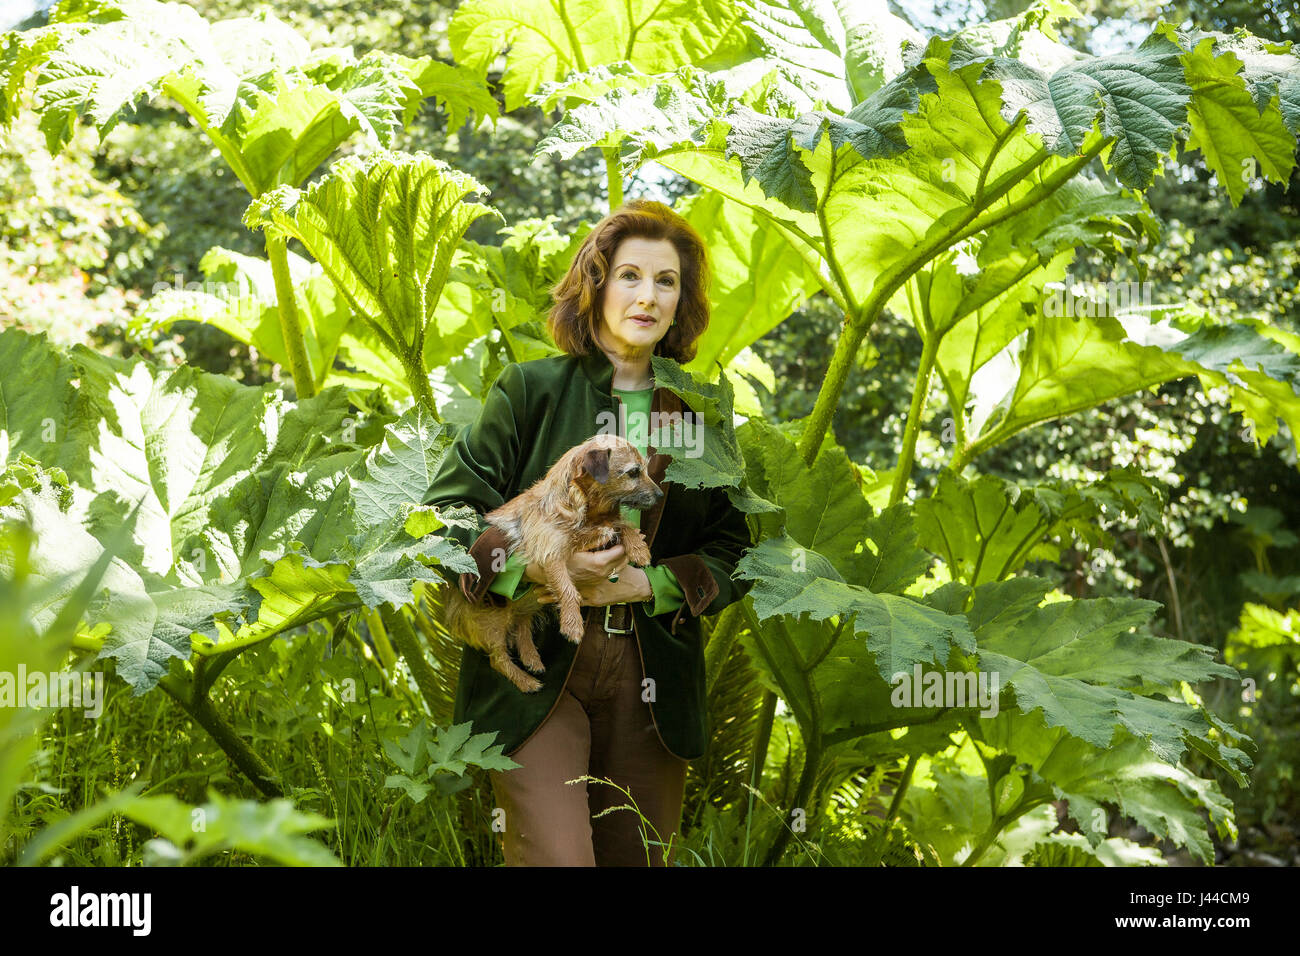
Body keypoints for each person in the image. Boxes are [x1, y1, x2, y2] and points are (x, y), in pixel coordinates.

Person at [424, 199, 754, 866]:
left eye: (667, 281)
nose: (648, 296)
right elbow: (446, 523)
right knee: (558, 857)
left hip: (652, 676)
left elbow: (737, 548)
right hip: (539, 661)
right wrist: (539, 574)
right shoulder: (528, 391)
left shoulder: (699, 414)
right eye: (629, 275)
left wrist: (652, 584)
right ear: (596, 283)